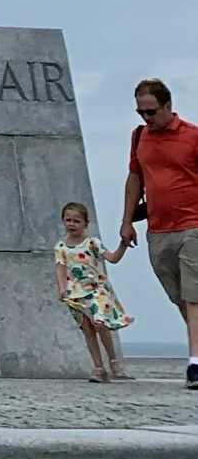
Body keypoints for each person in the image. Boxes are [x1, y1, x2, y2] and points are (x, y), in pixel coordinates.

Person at [117, 78, 198, 389]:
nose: (146, 118)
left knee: (193, 295)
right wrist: (126, 221)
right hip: (158, 229)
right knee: (179, 297)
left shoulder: (192, 136)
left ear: (167, 106)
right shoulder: (139, 137)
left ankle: (195, 363)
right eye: (140, 112)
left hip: (193, 226)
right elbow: (135, 178)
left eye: (151, 112)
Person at [54, 200, 131, 381]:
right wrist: (62, 289)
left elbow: (112, 258)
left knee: (99, 323)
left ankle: (113, 361)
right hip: (76, 294)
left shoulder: (92, 243)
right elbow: (60, 269)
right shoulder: (60, 247)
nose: (72, 224)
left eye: (76, 221)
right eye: (68, 220)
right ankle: (98, 367)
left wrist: (123, 245)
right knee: (88, 330)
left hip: (97, 289)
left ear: (85, 224)